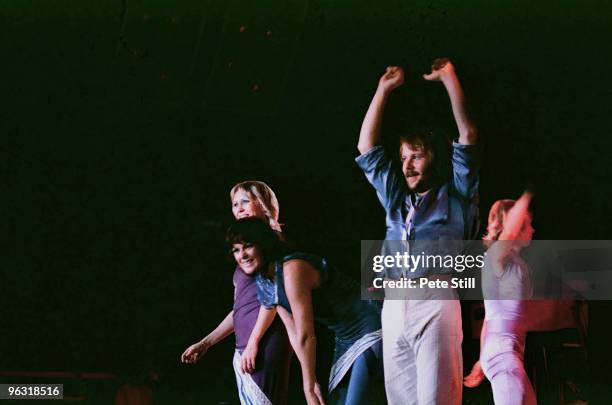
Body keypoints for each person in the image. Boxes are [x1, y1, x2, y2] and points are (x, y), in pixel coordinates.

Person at [355, 59, 480, 404]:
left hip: (435, 300)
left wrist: (449, 78)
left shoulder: (457, 195)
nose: (407, 164)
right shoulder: (396, 200)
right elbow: (366, 147)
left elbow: (467, 136)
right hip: (394, 304)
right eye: (404, 157)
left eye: (417, 156)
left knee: (435, 399)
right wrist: (383, 90)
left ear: (434, 159)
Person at [227, 217, 385, 405]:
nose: (242, 255)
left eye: (248, 246)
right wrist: (311, 382)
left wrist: (308, 386)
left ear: (263, 244)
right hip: (344, 339)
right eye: (236, 250)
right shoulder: (265, 283)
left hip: (370, 325)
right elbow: (294, 333)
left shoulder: (292, 268)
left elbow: (306, 334)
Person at [180, 181, 292, 405]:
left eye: (245, 201)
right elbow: (240, 309)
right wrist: (205, 343)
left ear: (262, 204)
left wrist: (254, 342)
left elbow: (272, 300)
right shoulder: (245, 250)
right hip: (243, 346)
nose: (239, 208)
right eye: (234, 204)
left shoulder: (273, 243)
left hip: (264, 343)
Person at [463, 192, 537, 405]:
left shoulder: (513, 263)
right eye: (528, 223)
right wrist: (529, 193)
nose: (532, 229)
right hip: (503, 355)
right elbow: (510, 230)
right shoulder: (496, 257)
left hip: (503, 353)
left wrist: (481, 358)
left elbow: (489, 318)